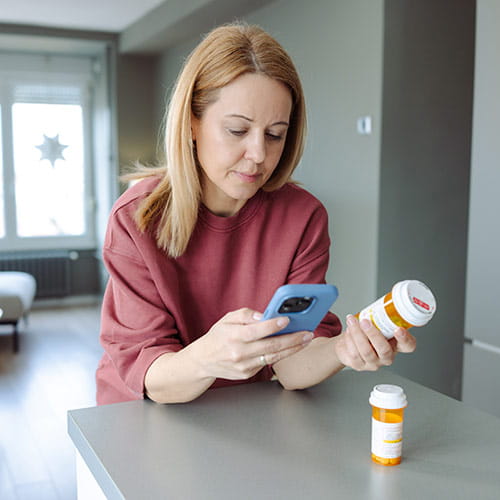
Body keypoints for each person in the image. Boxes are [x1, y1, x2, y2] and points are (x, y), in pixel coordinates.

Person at [96, 22, 416, 405]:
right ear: (192, 123)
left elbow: (292, 365)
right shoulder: (137, 218)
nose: (259, 154)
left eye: (275, 134)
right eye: (236, 130)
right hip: (141, 415)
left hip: (246, 413)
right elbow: (154, 380)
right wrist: (207, 357)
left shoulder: (303, 218)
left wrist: (344, 349)